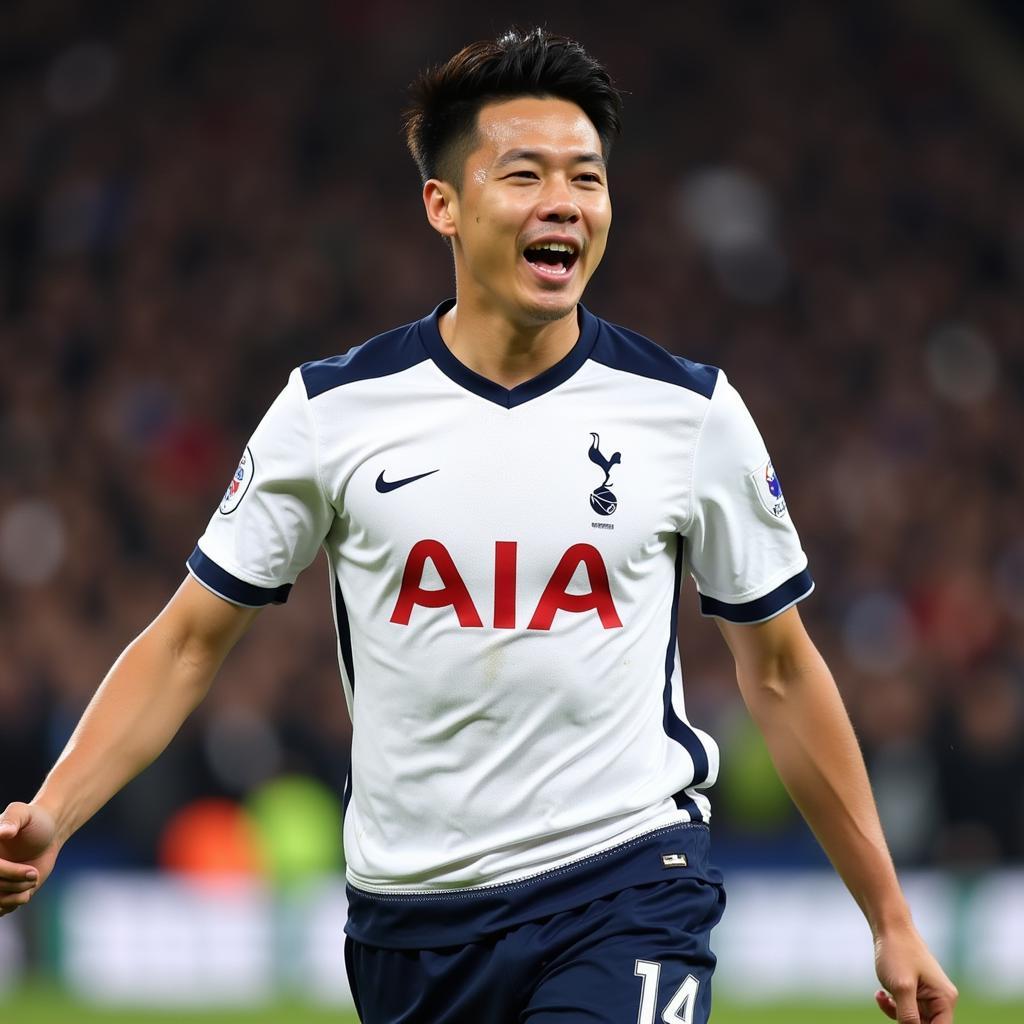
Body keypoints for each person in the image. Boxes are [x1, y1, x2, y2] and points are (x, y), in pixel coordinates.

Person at [0, 27, 957, 1024]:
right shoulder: (331, 412)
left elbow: (780, 669)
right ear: (442, 205)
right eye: (525, 174)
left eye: (586, 178)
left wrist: (887, 911)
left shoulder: (688, 413)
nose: (565, 203)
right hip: (411, 927)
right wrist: (54, 811)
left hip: (625, 885)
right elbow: (190, 640)